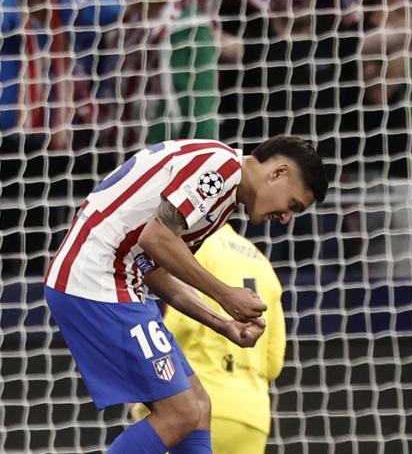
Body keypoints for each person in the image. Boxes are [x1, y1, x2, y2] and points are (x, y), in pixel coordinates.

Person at [43, 135, 328, 453]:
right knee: (182, 412)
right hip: (96, 280)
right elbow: (157, 238)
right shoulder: (220, 168)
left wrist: (223, 323)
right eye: (292, 205)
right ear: (279, 172)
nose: (286, 218)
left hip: (120, 281)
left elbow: (155, 268)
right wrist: (226, 295)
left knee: (199, 408)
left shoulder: (224, 198)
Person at [132, 224, 287, 453]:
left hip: (195, 406)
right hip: (251, 418)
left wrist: (147, 385)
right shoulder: (265, 266)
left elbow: (182, 324)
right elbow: (273, 364)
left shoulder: (194, 248)